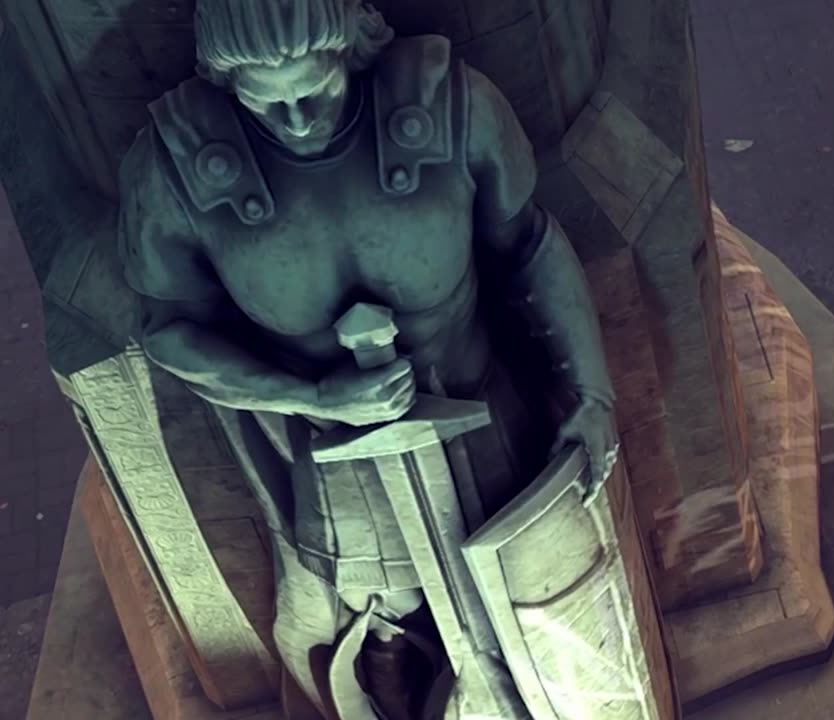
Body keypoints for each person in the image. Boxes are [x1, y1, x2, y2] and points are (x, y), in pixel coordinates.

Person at [117, 1, 619, 717]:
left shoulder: (453, 105)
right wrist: (313, 397)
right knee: (380, 628)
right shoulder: (172, 166)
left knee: (540, 608)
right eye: (267, 103)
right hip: (334, 457)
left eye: (314, 91)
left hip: (485, 413)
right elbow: (169, 330)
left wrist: (592, 395)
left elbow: (529, 246)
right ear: (227, 87)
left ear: (351, 50)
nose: (296, 121)